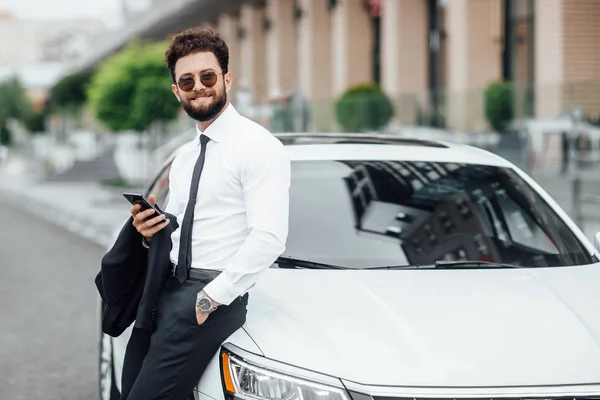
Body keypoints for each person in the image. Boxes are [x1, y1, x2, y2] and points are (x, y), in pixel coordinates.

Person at [122, 27, 291, 400]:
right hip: (167, 290)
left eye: (208, 76)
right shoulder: (185, 156)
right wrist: (149, 230)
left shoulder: (259, 147)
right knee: (128, 388)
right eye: (187, 80)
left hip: (208, 296)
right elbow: (179, 230)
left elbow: (268, 237)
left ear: (227, 79)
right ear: (176, 90)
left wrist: (210, 299)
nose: (198, 86)